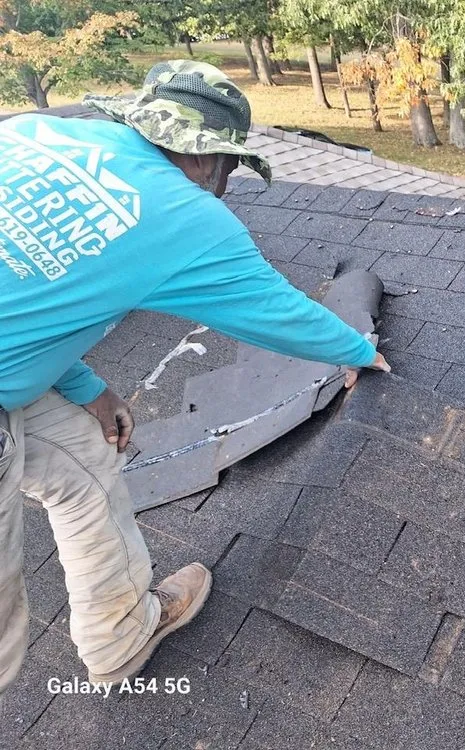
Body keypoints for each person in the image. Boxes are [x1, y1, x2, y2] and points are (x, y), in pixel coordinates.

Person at [0, 60, 389, 692]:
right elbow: (277, 312)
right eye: (231, 168)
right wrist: (357, 348)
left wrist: (87, 388)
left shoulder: (37, 134)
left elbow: (31, 296)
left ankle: (118, 637)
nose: (227, 187)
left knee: (80, 460)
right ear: (207, 157)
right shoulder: (186, 218)